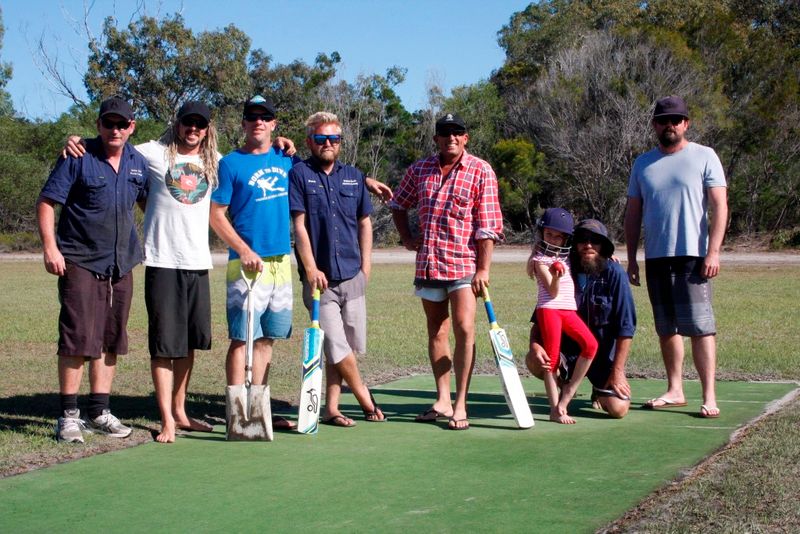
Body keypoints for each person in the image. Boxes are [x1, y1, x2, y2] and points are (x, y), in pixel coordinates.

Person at [62, 102, 296, 442]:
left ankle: (181, 411)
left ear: (207, 128)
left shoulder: (217, 162)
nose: (193, 129)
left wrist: (282, 143)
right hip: (161, 261)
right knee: (164, 345)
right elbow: (114, 142)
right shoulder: (153, 153)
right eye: (188, 122)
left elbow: (255, 158)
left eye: (200, 124)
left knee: (189, 344)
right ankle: (167, 419)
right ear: (178, 123)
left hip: (198, 263)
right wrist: (77, 140)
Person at [37, 97, 148, 443]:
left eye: (122, 124)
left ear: (132, 127)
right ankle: (68, 416)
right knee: (76, 339)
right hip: (80, 260)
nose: (114, 130)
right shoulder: (78, 156)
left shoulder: (138, 163)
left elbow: (151, 202)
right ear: (99, 125)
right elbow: (47, 201)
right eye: (108, 123)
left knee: (110, 340)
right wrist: (50, 247)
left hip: (122, 264)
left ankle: (100, 411)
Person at [390, 113, 503, 430]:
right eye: (445, 133)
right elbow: (399, 204)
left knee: (465, 328)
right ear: (436, 139)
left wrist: (483, 268)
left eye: (457, 133)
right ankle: (442, 399)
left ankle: (461, 403)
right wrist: (407, 237)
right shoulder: (420, 169)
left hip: (464, 265)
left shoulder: (480, 170)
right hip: (429, 263)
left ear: (466, 138)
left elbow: (488, 225)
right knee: (437, 331)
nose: (451, 137)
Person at [624, 95, 728, 418]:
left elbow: (719, 205)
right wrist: (631, 259)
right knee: (666, 327)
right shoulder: (642, 164)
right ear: (655, 125)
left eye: (676, 120)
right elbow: (633, 213)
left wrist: (713, 251)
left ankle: (709, 395)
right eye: (663, 120)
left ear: (686, 123)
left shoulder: (704, 156)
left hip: (693, 257)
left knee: (700, 326)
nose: (669, 125)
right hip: (657, 256)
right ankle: (675, 389)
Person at [209, 95, 301, 430]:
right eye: (252, 117)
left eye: (265, 118)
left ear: (274, 123)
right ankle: (237, 415)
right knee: (242, 339)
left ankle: (257, 413)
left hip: (280, 263)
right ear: (244, 124)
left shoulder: (286, 158)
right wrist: (243, 249)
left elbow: (321, 179)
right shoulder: (231, 163)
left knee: (266, 341)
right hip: (246, 265)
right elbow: (216, 216)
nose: (258, 122)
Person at [289, 111, 386, 426]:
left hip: (352, 276)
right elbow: (299, 227)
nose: (327, 143)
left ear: (341, 142)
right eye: (321, 138)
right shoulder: (300, 174)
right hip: (320, 282)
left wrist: (366, 267)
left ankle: (331, 408)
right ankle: (365, 399)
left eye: (333, 138)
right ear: (310, 141)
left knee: (347, 348)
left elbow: (364, 224)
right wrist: (311, 267)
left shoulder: (355, 177)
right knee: (335, 342)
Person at [527, 219, 636, 419]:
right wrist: (534, 345)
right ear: (574, 244)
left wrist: (617, 371)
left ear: (603, 246)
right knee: (535, 360)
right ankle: (564, 386)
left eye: (595, 241)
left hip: (601, 358)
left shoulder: (615, 273)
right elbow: (541, 314)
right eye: (583, 240)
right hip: (567, 354)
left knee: (618, 409)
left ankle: (598, 388)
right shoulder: (563, 269)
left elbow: (626, 327)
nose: (588, 245)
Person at [527, 208, 598, 424]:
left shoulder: (567, 256)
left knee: (591, 345)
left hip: (568, 310)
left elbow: (591, 257)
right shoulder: (540, 260)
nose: (554, 239)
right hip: (549, 309)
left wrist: (607, 255)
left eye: (558, 236)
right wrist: (556, 275)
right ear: (542, 234)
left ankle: (567, 393)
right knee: (552, 359)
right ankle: (554, 409)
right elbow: (553, 291)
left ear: (566, 238)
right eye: (549, 234)